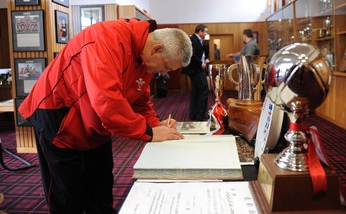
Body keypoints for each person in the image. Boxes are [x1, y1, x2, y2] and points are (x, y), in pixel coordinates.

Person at [18, 18, 192, 214]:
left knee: (101, 188)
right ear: (157, 49)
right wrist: (149, 132)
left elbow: (139, 100)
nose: (164, 73)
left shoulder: (145, 59)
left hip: (95, 120)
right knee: (67, 194)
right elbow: (108, 104)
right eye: (166, 67)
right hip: (58, 112)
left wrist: (155, 123)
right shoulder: (106, 38)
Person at [182, 24, 210, 121]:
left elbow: (202, 52)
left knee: (196, 91)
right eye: (205, 32)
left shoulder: (199, 40)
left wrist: (205, 59)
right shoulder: (192, 39)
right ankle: (200, 116)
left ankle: (194, 114)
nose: (206, 34)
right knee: (204, 90)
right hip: (196, 69)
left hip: (197, 69)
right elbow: (192, 55)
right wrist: (200, 64)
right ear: (200, 31)